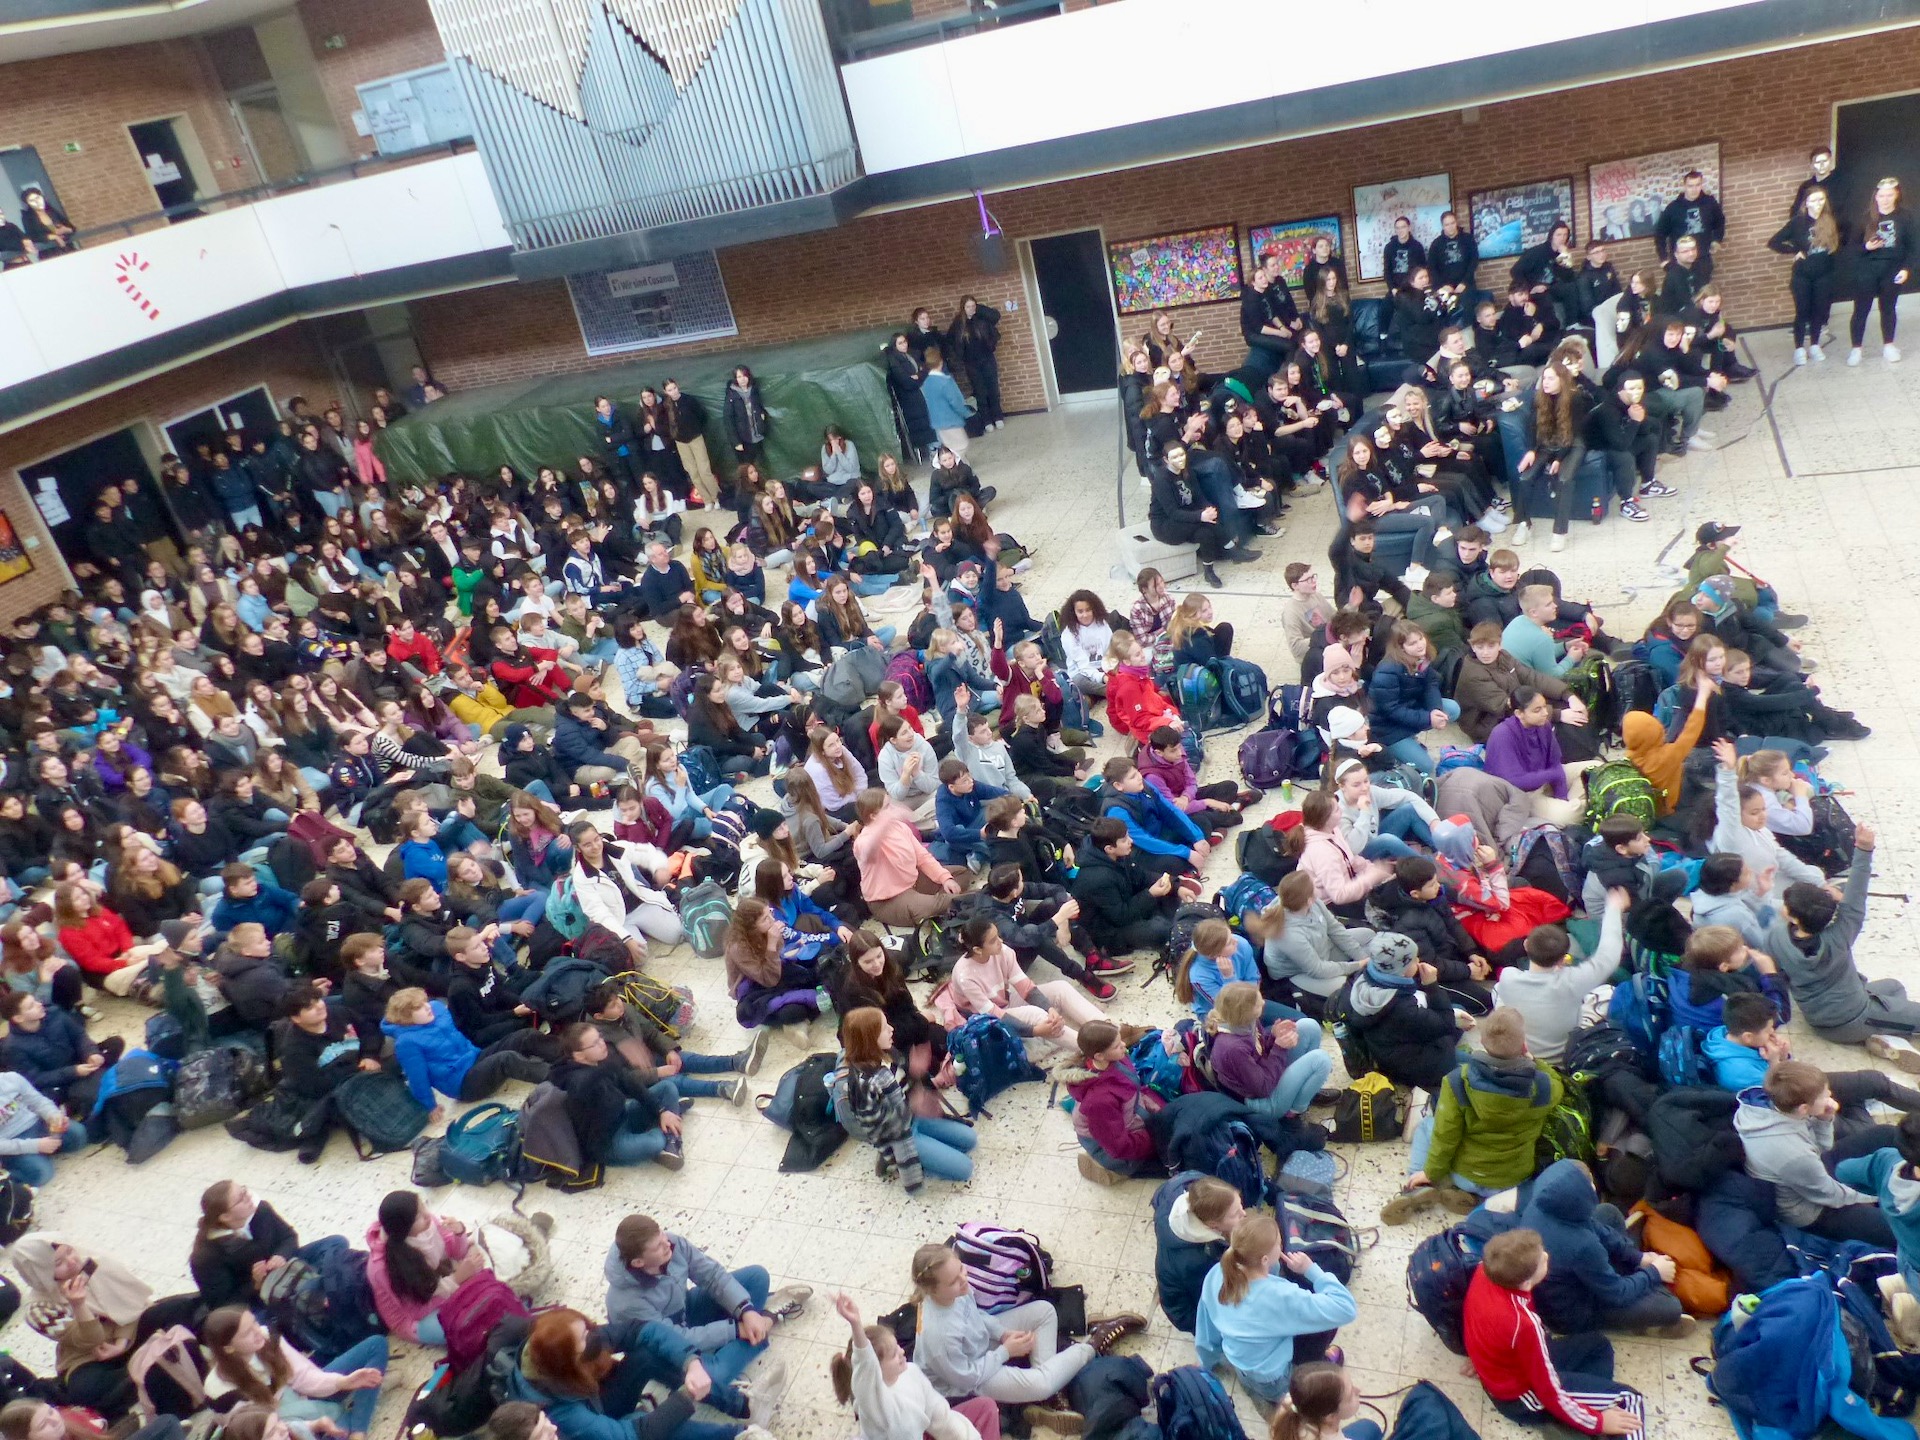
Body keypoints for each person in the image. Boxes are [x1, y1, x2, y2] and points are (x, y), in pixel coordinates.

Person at [603, 1212, 807, 1423]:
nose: (667, 1243)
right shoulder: (626, 1303)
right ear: (638, 1262)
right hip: (664, 1351)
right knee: (712, 1377)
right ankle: (764, 1322)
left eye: (662, 1234)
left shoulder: (671, 1243)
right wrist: (735, 1329)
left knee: (757, 1277)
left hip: (685, 1307)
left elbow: (712, 1275)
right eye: (658, 1246)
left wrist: (745, 1309)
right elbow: (676, 1339)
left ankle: (755, 1324)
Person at [911, 1242, 1139, 1419]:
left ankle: (1050, 1390)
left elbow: (976, 1315)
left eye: (961, 1268)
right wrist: (1006, 1352)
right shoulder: (939, 1337)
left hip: (977, 1347)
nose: (964, 1279)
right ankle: (1092, 1344)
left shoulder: (955, 1291)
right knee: (1041, 1384)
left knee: (1044, 1311)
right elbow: (967, 1379)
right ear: (932, 1290)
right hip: (969, 1381)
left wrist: (1002, 1333)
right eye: (953, 1281)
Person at [1463, 1229, 1646, 1436]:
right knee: (1630, 1399)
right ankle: (1578, 1420)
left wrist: (1483, 1360)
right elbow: (1548, 1390)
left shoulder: (1485, 1271)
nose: (1546, 1256)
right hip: (1522, 1398)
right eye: (1541, 1260)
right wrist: (1599, 1421)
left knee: (1598, 1345)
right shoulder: (1524, 1324)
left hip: (1500, 1374)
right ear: (1526, 1283)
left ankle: (1575, 1421)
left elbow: (1477, 1323)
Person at [1385, 1007, 1559, 1222]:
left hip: (1465, 1176)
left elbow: (1445, 1136)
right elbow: (1558, 1084)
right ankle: (1485, 1201)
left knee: (1428, 1125)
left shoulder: (1458, 1081)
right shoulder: (1543, 1087)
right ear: (1523, 1045)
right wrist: (1536, 1062)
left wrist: (1431, 1171)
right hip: (1511, 1180)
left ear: (1482, 1042)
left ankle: (1419, 1183)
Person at [502, 1306, 761, 1440]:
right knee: (654, 1425)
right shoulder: (559, 1413)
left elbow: (642, 1330)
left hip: (592, 1398)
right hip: (596, 1425)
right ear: (568, 1359)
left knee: (648, 1355)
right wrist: (687, 1396)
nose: (593, 1335)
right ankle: (737, 1436)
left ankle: (743, 1405)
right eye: (584, 1336)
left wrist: (691, 1362)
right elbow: (633, 1436)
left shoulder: (561, 1347)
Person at [1194, 1212, 1356, 1406]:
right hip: (1275, 1382)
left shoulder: (1217, 1274)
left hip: (1242, 1367)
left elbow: (1207, 1329)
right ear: (1264, 1260)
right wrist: (1311, 1270)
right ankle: (1306, 1376)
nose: (1282, 1246)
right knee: (1326, 1325)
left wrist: (1205, 1363)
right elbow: (1345, 1308)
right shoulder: (1281, 1296)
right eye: (1279, 1243)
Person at [1737, 1059, 1894, 1244]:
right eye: (1824, 1095)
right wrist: (1873, 1198)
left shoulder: (1771, 1107)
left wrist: (1824, 1120)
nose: (1830, 1095)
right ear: (1804, 1108)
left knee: (1886, 1134)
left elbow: (1821, 1149)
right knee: (1897, 1228)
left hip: (1811, 1174)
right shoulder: (1793, 1153)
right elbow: (1829, 1193)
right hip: (1811, 1210)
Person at [831, 1006, 978, 1189]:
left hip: (913, 1119)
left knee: (969, 1139)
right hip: (899, 1136)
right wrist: (914, 1104)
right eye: (884, 1028)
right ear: (870, 1038)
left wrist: (916, 1076)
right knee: (964, 1169)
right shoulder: (865, 1084)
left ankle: (929, 1150)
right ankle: (896, 1161)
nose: (891, 1029)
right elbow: (880, 1128)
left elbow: (905, 1086)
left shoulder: (888, 1053)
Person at [201, 1305, 388, 1440]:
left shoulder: (267, 1336)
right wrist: (312, 1424)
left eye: (255, 1323)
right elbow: (262, 1431)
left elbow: (304, 1376)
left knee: (376, 1345)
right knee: (337, 1426)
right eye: (247, 1333)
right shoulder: (220, 1392)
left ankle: (357, 1430)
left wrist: (343, 1382)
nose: (257, 1331)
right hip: (282, 1424)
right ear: (229, 1348)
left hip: (304, 1397)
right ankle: (361, 1407)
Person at [832, 1292, 993, 1440]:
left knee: (986, 1406)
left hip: (925, 1432)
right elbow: (865, 1364)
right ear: (876, 1370)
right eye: (893, 1354)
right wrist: (856, 1324)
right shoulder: (875, 1405)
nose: (902, 1352)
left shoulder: (911, 1372)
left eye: (898, 1346)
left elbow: (940, 1415)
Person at [1495, 891, 1626, 1064]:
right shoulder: (1573, 981)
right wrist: (1613, 909)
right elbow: (1608, 957)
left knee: (1497, 989)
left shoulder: (1508, 977)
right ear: (1563, 958)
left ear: (1526, 945)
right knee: (1607, 992)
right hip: (1564, 1056)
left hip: (1526, 1053)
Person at [383, 987, 549, 1119]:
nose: (427, 1007)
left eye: (425, 1002)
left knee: (523, 1036)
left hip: (474, 1057)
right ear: (407, 1018)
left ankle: (561, 1056)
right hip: (463, 1084)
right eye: (419, 1008)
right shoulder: (406, 1043)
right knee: (506, 1059)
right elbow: (417, 1078)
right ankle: (553, 1076)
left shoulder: (437, 1009)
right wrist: (430, 1106)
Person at [1343, 932, 1468, 1094]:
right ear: (1401, 971)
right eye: (1413, 960)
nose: (1418, 960)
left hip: (1386, 1049)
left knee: (1457, 1009)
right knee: (1465, 1063)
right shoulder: (1401, 1007)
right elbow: (1445, 1023)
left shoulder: (1366, 977)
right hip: (1407, 1065)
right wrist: (1431, 985)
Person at [1207, 980, 1333, 1119]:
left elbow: (1258, 1052)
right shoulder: (1232, 1048)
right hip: (1261, 1103)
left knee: (1309, 1026)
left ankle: (1304, 1091)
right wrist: (1279, 1048)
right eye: (1257, 1004)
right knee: (1321, 1060)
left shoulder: (1242, 1022)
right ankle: (1294, 1111)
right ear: (1245, 1012)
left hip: (1265, 1077)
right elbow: (1263, 1089)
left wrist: (1273, 1035)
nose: (1263, 1003)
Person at [1770, 185, 1841, 365]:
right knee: (1802, 312)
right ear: (1806, 203)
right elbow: (1774, 242)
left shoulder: (1830, 220)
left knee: (1819, 311)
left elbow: (1836, 244)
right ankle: (1799, 348)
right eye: (1813, 200)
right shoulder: (1798, 222)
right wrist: (1794, 250)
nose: (1818, 204)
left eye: (1821, 199)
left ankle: (1815, 345)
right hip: (1802, 275)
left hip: (1824, 274)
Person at [1848, 177, 1913, 366]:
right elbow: (1851, 249)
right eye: (1882, 196)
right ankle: (1856, 349)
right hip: (1867, 270)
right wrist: (1866, 247)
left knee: (1888, 308)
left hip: (1892, 270)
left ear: (1896, 195)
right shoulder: (1865, 218)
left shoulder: (1906, 217)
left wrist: (1906, 268)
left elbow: (1913, 247)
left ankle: (1889, 345)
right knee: (1861, 309)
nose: (1885, 199)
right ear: (1876, 197)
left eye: (1889, 195)